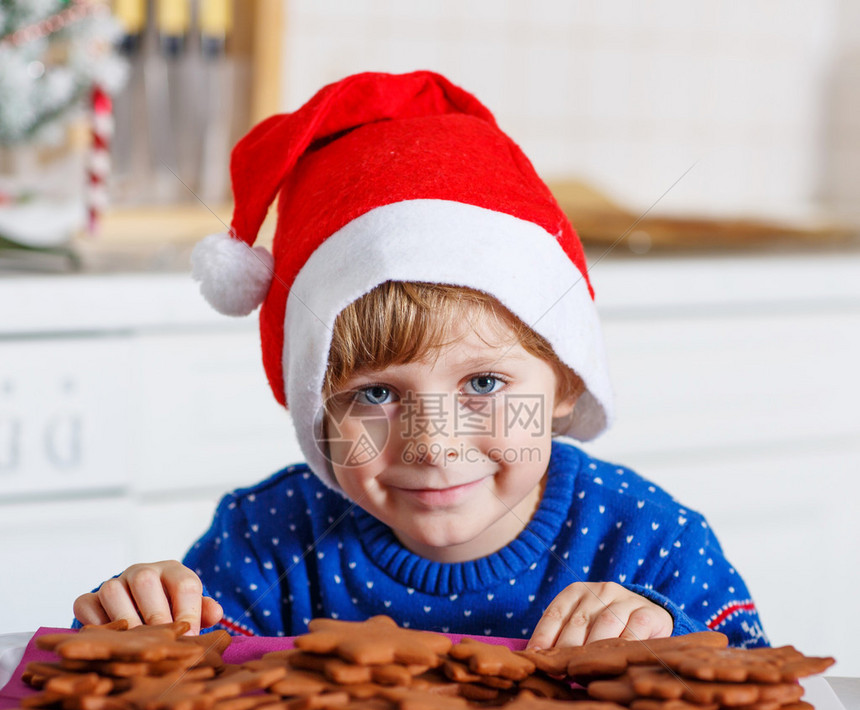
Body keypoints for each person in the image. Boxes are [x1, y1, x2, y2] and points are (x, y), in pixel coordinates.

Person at [72, 70, 768, 650]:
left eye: (485, 382)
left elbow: (757, 693)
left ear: (565, 378)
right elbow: (160, 678)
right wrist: (139, 615)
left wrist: (670, 640)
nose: (433, 444)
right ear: (318, 409)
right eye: (375, 395)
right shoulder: (267, 544)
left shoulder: (648, 539)